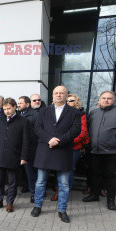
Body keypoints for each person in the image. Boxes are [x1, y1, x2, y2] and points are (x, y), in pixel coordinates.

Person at [31, 85, 81, 223]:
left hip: (63, 150)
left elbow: (75, 130)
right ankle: (37, 206)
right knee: (40, 181)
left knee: (64, 184)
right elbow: (37, 128)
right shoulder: (44, 111)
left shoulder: (74, 112)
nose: (58, 95)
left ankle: (62, 210)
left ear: (66, 95)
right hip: (45, 149)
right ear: (52, 95)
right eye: (56, 93)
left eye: (62, 93)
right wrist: (49, 139)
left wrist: (58, 141)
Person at [82, 90, 116, 210]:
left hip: (112, 151)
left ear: (113, 100)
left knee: (110, 176)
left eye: (109, 98)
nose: (106, 100)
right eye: (104, 98)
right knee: (95, 174)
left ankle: (111, 200)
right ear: (99, 100)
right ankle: (94, 195)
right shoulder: (93, 113)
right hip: (95, 150)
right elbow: (88, 129)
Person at [0, 98, 29, 213]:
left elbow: (26, 141)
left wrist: (24, 157)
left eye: (9, 108)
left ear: (15, 107)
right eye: (4, 109)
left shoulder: (23, 121)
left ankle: (10, 202)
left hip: (14, 156)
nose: (7, 111)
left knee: (12, 182)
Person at [17, 96, 39, 203]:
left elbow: (37, 132)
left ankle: (34, 193)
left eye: (21, 103)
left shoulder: (35, 115)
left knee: (31, 172)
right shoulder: (17, 114)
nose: (18, 105)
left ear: (27, 104)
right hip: (19, 147)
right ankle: (26, 188)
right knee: (23, 171)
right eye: (18, 103)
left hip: (30, 148)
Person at [66, 94, 88, 191]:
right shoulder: (62, 113)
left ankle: (67, 190)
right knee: (59, 169)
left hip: (74, 147)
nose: (68, 102)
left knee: (69, 170)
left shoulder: (81, 114)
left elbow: (82, 133)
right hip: (62, 146)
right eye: (66, 100)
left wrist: (68, 141)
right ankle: (58, 190)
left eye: (70, 100)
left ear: (76, 102)